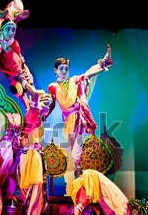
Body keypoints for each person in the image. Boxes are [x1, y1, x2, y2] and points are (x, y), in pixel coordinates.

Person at [47, 45, 113, 177]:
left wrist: (103, 63)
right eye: (61, 68)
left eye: (66, 68)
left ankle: (79, 169)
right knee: (74, 146)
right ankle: (78, 169)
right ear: (55, 70)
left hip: (78, 113)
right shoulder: (52, 87)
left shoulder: (74, 80)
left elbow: (87, 74)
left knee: (77, 144)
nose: (64, 71)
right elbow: (52, 103)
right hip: (68, 118)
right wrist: (45, 114)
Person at [16, 86, 55, 215]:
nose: (47, 107)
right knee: (34, 195)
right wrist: (25, 81)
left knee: (31, 195)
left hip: (30, 157)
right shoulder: (33, 113)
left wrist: (53, 98)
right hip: (32, 158)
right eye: (45, 103)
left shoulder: (36, 115)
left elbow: (49, 107)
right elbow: (35, 100)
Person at [68, 169, 146, 215]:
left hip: (95, 179)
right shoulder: (83, 199)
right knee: (110, 210)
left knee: (124, 202)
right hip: (96, 186)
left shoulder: (82, 200)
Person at [0, 112, 24, 215]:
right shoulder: (14, 212)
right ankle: (14, 131)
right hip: (9, 179)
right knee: (11, 154)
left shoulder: (3, 207)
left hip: (5, 180)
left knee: (6, 155)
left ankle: (12, 130)